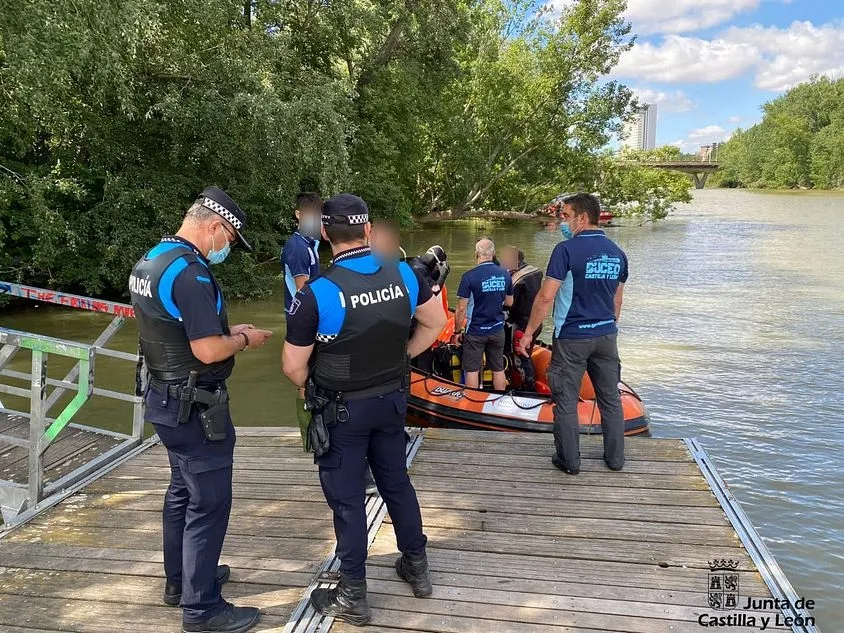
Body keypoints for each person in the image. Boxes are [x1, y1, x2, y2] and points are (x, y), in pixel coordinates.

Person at [282, 193, 447, 626]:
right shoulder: (406, 275)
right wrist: (402, 357)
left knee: (348, 500)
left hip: (342, 412)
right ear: (369, 230)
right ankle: (417, 565)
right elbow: (436, 324)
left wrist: (316, 385)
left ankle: (353, 594)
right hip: (392, 400)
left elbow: (293, 367)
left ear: (323, 234)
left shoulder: (317, 294)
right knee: (396, 482)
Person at [129, 187, 273, 633]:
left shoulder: (151, 260)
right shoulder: (191, 273)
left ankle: (181, 582)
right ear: (213, 226)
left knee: (181, 492)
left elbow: (175, 330)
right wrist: (244, 339)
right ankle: (202, 609)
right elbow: (208, 349)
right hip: (195, 407)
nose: (226, 247)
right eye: (229, 238)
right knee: (208, 503)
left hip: (162, 397)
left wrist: (229, 331)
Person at [518, 192, 628, 475]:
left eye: (565, 216)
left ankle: (569, 461)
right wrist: (608, 327)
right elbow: (617, 300)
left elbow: (545, 297)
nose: (562, 223)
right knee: (610, 398)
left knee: (565, 399)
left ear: (582, 217)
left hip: (571, 337)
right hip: (606, 335)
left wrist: (530, 332)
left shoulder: (565, 251)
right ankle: (615, 459)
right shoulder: (618, 253)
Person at [453, 238, 513, 390]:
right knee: (498, 369)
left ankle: (473, 403)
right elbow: (510, 302)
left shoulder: (469, 277)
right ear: (493, 253)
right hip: (497, 328)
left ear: (476, 254)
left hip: (475, 331)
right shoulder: (505, 274)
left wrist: (457, 331)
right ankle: (499, 402)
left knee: (472, 370)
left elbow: (461, 309)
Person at [499, 246, 543, 391]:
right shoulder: (534, 272)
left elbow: (508, 304)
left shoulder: (518, 279)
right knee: (526, 354)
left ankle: (528, 391)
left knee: (521, 358)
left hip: (521, 324)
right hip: (535, 321)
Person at [280, 192, 322, 313]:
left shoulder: (310, 242)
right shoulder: (298, 248)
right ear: (298, 214)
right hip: (301, 315)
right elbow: (303, 292)